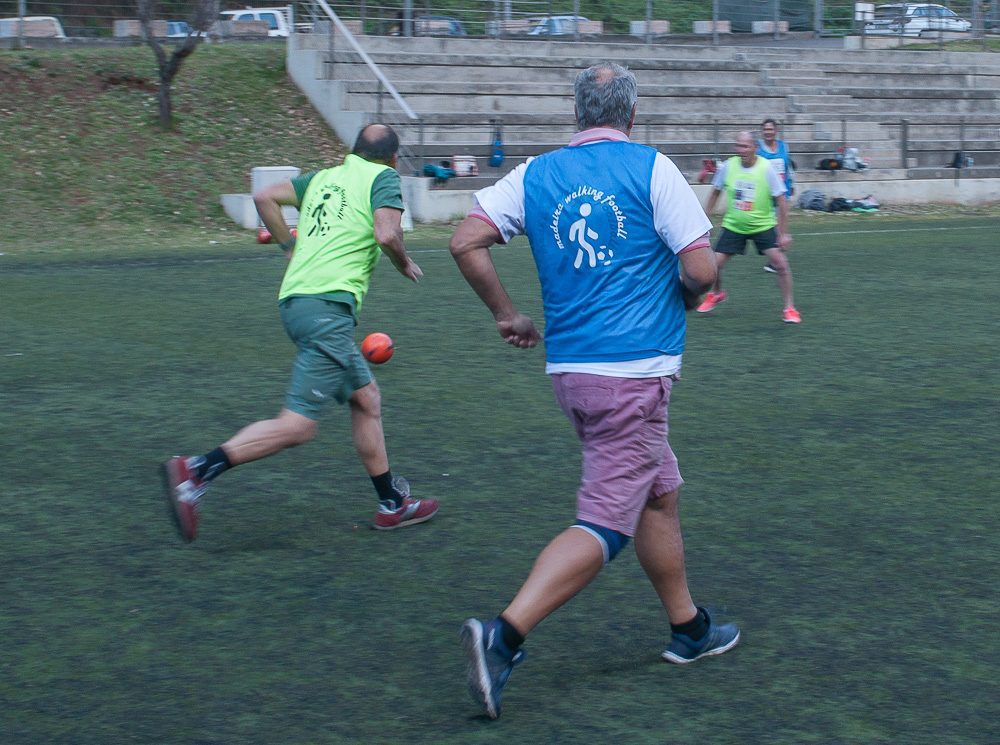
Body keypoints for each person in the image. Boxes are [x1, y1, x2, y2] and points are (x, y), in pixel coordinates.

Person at [448, 62, 740, 721]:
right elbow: (699, 266)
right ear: (630, 114)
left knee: (658, 495)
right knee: (607, 519)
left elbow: (466, 241)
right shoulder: (652, 168)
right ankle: (504, 634)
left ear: (578, 113)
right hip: (632, 375)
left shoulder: (535, 174)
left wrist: (507, 314)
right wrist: (688, 294)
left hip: (574, 372)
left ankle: (688, 628)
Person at [161, 123, 438, 543]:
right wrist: (402, 262)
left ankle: (391, 504)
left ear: (353, 150)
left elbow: (264, 196)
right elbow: (386, 232)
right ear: (394, 160)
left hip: (298, 301)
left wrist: (287, 246)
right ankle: (196, 471)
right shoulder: (382, 178)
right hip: (327, 309)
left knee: (366, 399)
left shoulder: (324, 177)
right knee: (298, 427)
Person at [697, 130, 801, 324]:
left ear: (755, 147)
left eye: (745, 146)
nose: (741, 150)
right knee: (714, 265)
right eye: (738, 145)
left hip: (763, 225)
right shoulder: (728, 166)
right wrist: (705, 221)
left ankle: (789, 308)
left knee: (781, 264)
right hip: (734, 226)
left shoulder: (766, 168)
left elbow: (781, 199)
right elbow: (714, 193)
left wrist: (783, 233)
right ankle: (717, 293)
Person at [756, 118, 795, 274]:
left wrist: (791, 186)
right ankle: (774, 258)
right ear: (762, 131)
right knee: (770, 228)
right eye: (765, 129)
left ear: (776, 131)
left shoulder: (784, 147)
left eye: (770, 129)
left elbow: (788, 169)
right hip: (765, 195)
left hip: (781, 193)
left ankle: (774, 262)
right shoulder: (758, 149)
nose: (768, 132)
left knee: (781, 227)